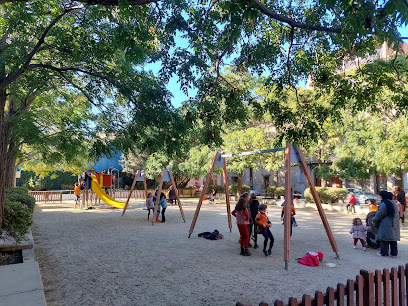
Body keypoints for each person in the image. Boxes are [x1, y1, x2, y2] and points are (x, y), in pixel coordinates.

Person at [372, 190, 400, 257]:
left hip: (386, 223)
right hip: (394, 223)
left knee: (384, 239)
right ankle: (394, 253)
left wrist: (374, 220)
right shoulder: (394, 203)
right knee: (393, 239)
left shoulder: (384, 203)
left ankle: (384, 253)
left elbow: (380, 213)